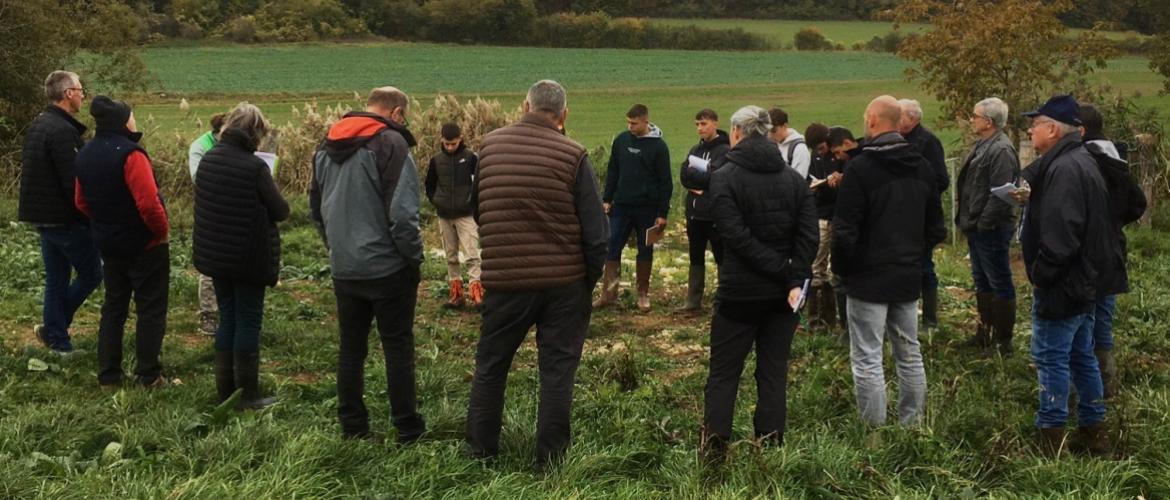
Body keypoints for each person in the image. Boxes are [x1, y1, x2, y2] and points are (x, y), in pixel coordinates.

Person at [465, 79, 607, 468]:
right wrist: (587, 281)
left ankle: (480, 453)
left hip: (505, 281)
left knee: (491, 366)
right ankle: (551, 460)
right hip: (563, 284)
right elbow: (596, 233)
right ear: (564, 114)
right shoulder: (574, 154)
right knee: (557, 372)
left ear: (523, 105)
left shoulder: (489, 147)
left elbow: (476, 208)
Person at [699, 105, 818, 464]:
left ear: (736, 133)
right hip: (784, 297)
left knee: (723, 373)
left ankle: (714, 451)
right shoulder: (793, 180)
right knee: (773, 371)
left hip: (739, 293)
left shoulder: (723, 178)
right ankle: (769, 446)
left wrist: (782, 270)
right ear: (767, 133)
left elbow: (734, 236)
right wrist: (792, 274)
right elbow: (808, 236)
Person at [311, 87, 427, 443]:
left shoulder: (324, 145)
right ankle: (407, 428)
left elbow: (316, 209)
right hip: (388, 267)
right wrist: (412, 257)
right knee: (397, 347)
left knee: (351, 347)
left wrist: (336, 248)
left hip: (344, 266)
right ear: (397, 113)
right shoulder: (391, 144)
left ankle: (353, 426)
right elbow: (403, 214)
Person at [833, 96, 946, 427]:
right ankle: (912, 425)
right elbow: (936, 227)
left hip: (867, 276)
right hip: (908, 274)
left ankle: (874, 433)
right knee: (909, 353)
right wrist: (913, 254)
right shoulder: (923, 167)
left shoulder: (860, 169)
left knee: (867, 356)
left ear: (871, 121)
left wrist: (843, 269)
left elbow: (845, 229)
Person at [1018, 94, 1113, 456]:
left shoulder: (1063, 170)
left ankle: (1050, 438)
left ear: (1053, 129)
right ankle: (1093, 429)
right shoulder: (1081, 160)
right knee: (1080, 355)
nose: (1030, 129)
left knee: (1051, 357)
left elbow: (1061, 235)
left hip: (1064, 283)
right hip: (1085, 279)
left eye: (1036, 123)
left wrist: (1042, 276)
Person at [193, 103, 288, 410]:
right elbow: (280, 210)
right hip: (248, 255)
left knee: (228, 318)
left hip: (216, 255)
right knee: (248, 321)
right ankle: (247, 395)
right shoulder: (255, 167)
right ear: (255, 133)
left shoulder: (209, 159)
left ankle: (225, 391)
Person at [74, 96, 170, 387]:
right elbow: (149, 204)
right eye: (132, 115)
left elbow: (80, 202)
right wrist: (160, 231)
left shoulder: (85, 153)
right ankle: (148, 374)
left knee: (114, 308)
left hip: (108, 243)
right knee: (150, 308)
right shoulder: (131, 155)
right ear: (123, 122)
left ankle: (109, 375)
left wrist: (104, 222)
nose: (134, 120)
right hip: (144, 245)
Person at [19, 70, 103, 356]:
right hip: (64, 218)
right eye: (80, 90)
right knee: (92, 273)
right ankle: (54, 330)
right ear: (68, 94)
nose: (82, 94)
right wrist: (91, 216)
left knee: (56, 279)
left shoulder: (40, 124)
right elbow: (74, 183)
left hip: (41, 216)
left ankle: (57, 340)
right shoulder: (63, 132)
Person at [1079, 103, 1147, 399]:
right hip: (1112, 247)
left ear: (1080, 130)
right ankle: (1106, 383)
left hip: (1091, 250)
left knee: (1087, 316)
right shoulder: (1114, 156)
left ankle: (1092, 385)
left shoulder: (1089, 159)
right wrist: (1116, 223)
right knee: (1103, 314)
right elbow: (1138, 203)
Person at [955, 97, 1020, 356]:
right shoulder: (984, 144)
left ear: (988, 121)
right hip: (977, 225)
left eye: (975, 116)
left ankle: (1003, 342)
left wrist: (983, 223)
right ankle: (985, 333)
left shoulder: (1001, 150)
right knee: (982, 281)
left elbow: (1002, 195)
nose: (972, 120)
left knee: (999, 280)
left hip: (991, 228)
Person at [594, 104, 671, 312]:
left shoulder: (659, 147)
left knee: (645, 249)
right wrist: (607, 198)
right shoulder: (621, 141)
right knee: (612, 245)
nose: (630, 127)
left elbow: (666, 182)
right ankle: (609, 294)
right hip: (621, 206)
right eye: (628, 122)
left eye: (634, 123)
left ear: (646, 121)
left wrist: (663, 213)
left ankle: (643, 294)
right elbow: (613, 171)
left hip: (648, 209)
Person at [898, 98, 949, 330]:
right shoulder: (898, 139)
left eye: (900, 116)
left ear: (912, 118)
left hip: (922, 216)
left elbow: (941, 179)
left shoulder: (927, 142)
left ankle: (930, 320)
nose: (896, 120)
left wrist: (917, 193)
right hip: (901, 215)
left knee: (924, 265)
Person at [424, 122, 483, 309]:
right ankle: (456, 294)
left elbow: (480, 182)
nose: (450, 147)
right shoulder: (436, 160)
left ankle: (477, 293)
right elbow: (430, 184)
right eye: (447, 144)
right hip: (444, 215)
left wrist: (472, 203)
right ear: (442, 140)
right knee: (451, 256)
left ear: (460, 140)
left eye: (454, 144)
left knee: (472, 254)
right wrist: (437, 201)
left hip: (466, 215)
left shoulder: (471, 158)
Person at [678, 108, 730, 312]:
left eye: (704, 124)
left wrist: (698, 176)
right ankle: (693, 301)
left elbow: (715, 177)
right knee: (695, 256)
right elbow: (683, 175)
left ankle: (723, 299)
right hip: (694, 214)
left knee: (721, 256)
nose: (700, 128)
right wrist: (699, 176)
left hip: (714, 214)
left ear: (715, 123)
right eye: (697, 124)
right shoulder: (695, 149)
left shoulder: (725, 150)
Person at [188, 112, 228, 336]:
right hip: (210, 210)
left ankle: (229, 308)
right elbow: (198, 179)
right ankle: (208, 314)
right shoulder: (200, 146)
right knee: (209, 265)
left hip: (234, 210)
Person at [804, 123, 841, 329]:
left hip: (839, 214)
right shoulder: (815, 158)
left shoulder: (839, 155)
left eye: (821, 148)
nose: (820, 152)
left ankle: (832, 316)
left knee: (835, 267)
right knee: (817, 264)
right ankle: (816, 319)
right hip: (821, 213)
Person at [825, 126, 859, 337]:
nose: (838, 157)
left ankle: (851, 330)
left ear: (848, 143)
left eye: (838, 152)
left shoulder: (860, 162)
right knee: (839, 278)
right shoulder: (846, 162)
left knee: (847, 281)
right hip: (842, 225)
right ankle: (846, 327)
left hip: (853, 229)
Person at [768, 107, 811, 178]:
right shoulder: (771, 145)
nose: (770, 135)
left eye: (773, 131)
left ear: (785, 126)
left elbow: (798, 179)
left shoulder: (799, 148)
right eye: (767, 131)